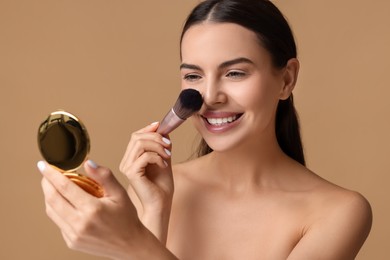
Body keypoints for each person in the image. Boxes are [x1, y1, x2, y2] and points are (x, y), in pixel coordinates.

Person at [38, 0, 372, 259]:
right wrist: (154, 210)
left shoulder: (338, 212)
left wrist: (135, 245)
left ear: (286, 79)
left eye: (235, 73)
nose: (209, 97)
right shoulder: (160, 190)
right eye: (193, 76)